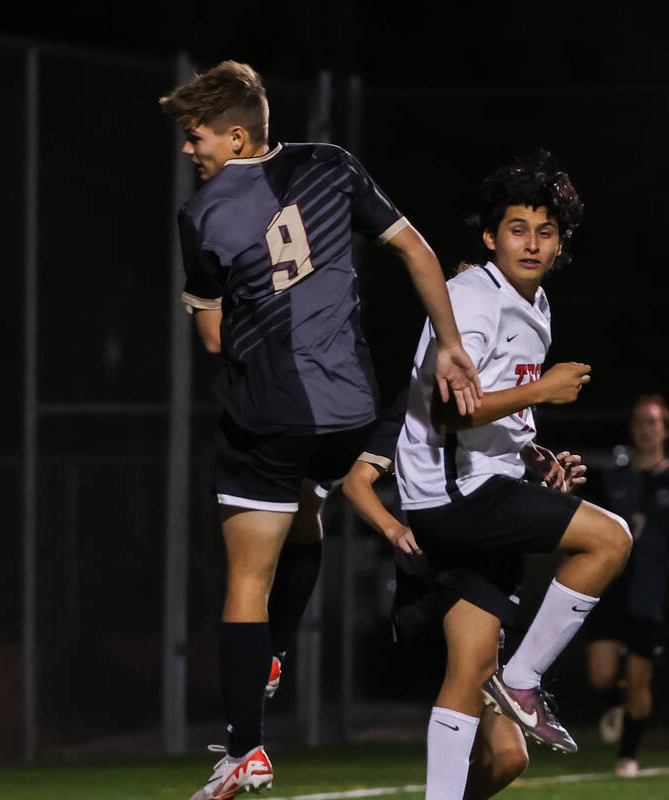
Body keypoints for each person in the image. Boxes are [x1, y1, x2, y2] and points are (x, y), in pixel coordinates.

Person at [157, 60, 482, 799]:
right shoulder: (332, 165)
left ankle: (247, 748)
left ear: (236, 137)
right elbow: (416, 251)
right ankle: (271, 657)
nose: (188, 149)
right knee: (306, 516)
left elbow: (209, 337)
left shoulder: (203, 213)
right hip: (349, 413)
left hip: (267, 415)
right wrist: (451, 342)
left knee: (247, 577)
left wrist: (241, 314)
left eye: (195, 135)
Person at [392, 151, 631, 800]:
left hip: (476, 487)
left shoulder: (537, 305)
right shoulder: (473, 297)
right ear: (490, 236)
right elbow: (448, 411)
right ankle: (524, 679)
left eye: (545, 230)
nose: (531, 242)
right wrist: (544, 394)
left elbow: (495, 411)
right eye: (517, 227)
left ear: (562, 243)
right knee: (610, 541)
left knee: (489, 721)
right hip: (453, 494)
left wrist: (534, 457)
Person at [343, 384, 587, 799]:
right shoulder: (422, 398)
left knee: (510, 757)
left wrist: (546, 491)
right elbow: (356, 482)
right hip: (448, 569)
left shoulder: (501, 401)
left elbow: (495, 489)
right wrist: (394, 528)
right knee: (466, 678)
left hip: (489, 563)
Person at [582, 393, 669, 778]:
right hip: (612, 587)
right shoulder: (613, 478)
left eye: (653, 422)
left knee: (639, 679)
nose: (646, 429)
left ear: (664, 428)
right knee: (601, 676)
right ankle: (616, 704)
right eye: (639, 422)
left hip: (653, 594)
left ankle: (628, 755)